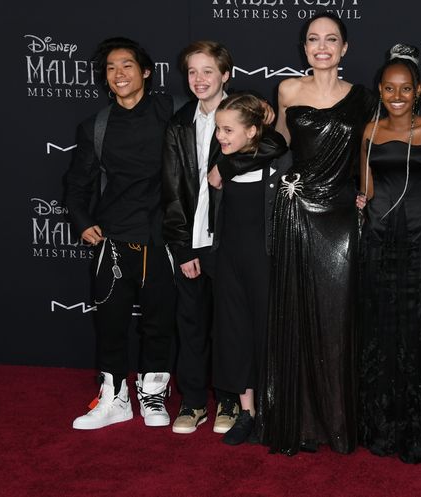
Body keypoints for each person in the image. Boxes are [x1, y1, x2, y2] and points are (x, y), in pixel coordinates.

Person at [256, 11, 376, 456]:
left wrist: (366, 194)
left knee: (337, 317)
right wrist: (230, 162)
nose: (321, 47)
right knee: (297, 314)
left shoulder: (363, 98)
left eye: (330, 39)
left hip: (341, 215)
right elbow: (278, 143)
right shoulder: (287, 90)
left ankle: (339, 421)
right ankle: (302, 422)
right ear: (304, 47)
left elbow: (371, 153)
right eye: (313, 39)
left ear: (345, 48)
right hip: (297, 209)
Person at [355, 44, 421, 464]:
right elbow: (367, 190)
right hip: (379, 247)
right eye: (389, 88)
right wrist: (359, 202)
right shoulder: (369, 131)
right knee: (381, 334)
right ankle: (384, 427)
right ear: (379, 90)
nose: (397, 96)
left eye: (405, 88)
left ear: (418, 90)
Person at [66, 37, 176, 430]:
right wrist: (82, 222)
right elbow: (76, 185)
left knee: (159, 324)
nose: (119, 73)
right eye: (111, 68)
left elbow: (221, 112)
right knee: (111, 325)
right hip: (112, 240)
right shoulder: (95, 126)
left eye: (127, 65)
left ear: (146, 71)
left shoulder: (173, 111)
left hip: (161, 239)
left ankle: (153, 392)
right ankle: (114, 398)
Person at [161, 41, 241, 435]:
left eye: (208, 71)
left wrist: (230, 164)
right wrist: (182, 247)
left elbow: (272, 150)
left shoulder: (243, 114)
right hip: (192, 240)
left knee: (229, 325)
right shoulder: (179, 123)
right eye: (192, 72)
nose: (199, 79)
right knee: (190, 323)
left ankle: (229, 399)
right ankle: (193, 402)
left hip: (232, 241)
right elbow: (172, 188)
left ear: (226, 74)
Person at [205, 93, 290, 445]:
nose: (220, 136)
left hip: (266, 260)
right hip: (229, 261)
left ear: (252, 131)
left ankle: (274, 412)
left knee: (268, 334)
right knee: (236, 335)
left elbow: (277, 145)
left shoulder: (279, 163)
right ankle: (246, 413)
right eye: (218, 129)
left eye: (228, 130)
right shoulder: (220, 162)